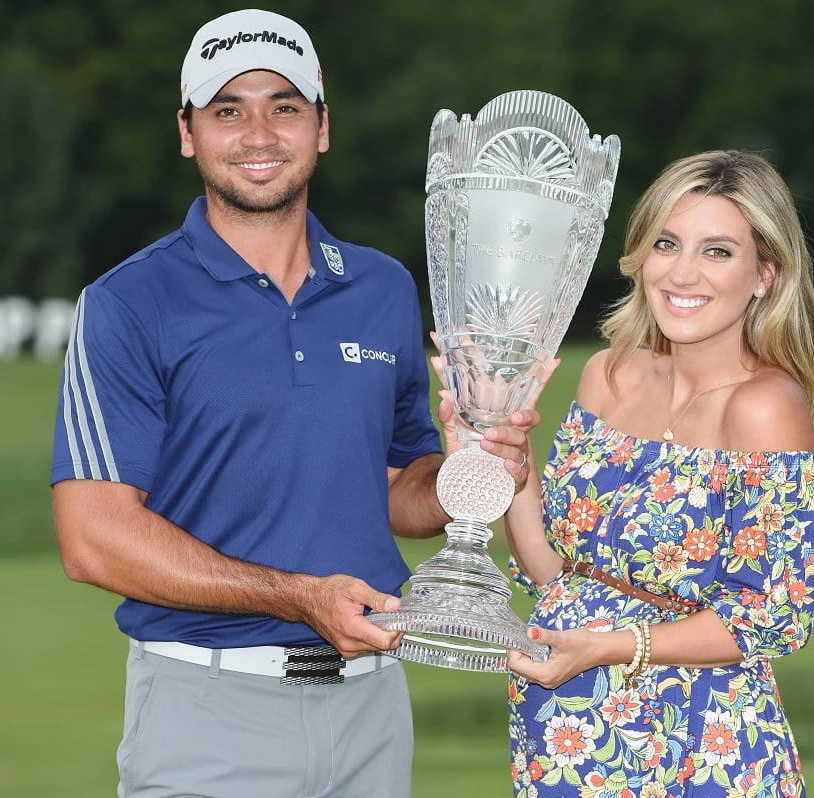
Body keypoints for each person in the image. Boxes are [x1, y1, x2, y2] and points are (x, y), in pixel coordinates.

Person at [50, 9, 533, 797]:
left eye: (284, 106)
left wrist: (473, 469)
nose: (259, 133)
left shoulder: (381, 288)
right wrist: (300, 597)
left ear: (322, 125)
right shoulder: (129, 301)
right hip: (208, 709)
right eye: (227, 110)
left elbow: (396, 489)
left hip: (373, 707)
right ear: (187, 132)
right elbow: (93, 539)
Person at [465, 150, 814, 797]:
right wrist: (514, 475)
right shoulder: (608, 373)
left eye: (717, 251)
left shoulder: (765, 408)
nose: (682, 272)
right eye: (667, 243)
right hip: (568, 735)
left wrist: (605, 648)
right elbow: (554, 575)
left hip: (695, 744)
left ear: (764, 274)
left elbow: (773, 617)